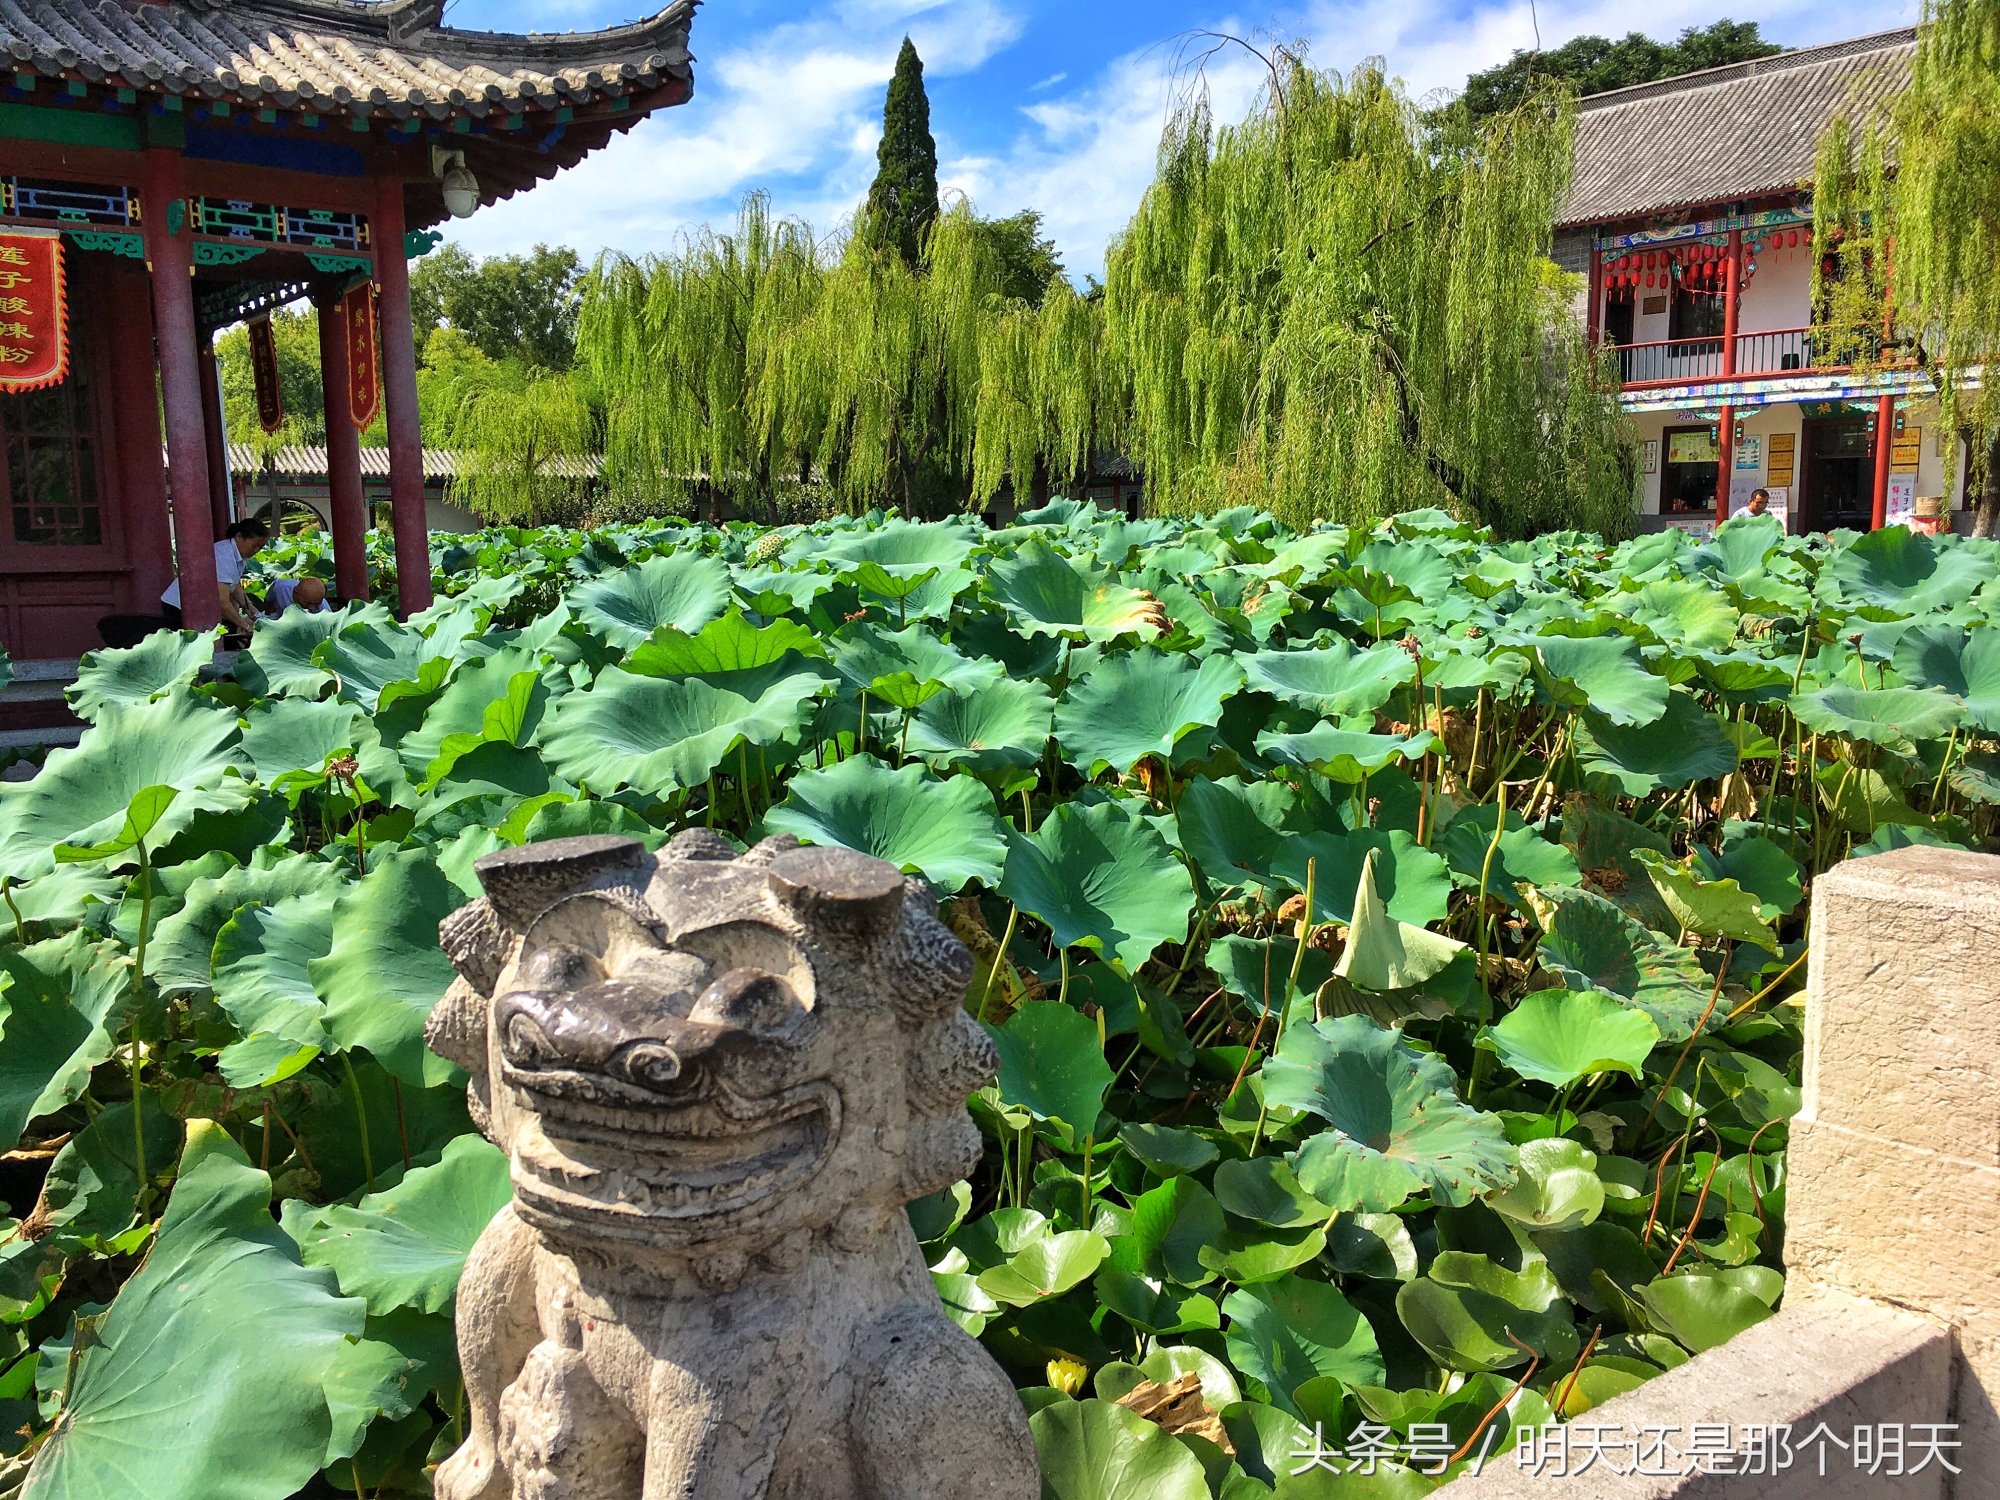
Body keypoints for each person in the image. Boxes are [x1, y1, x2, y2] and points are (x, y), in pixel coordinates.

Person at [162, 518, 269, 634]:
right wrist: (247, 626)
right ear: (239, 536)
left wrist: (251, 609)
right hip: (178, 606)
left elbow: (233, 583)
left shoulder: (238, 554)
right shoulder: (223, 557)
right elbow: (222, 602)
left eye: (260, 547)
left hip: (194, 606)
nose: (256, 550)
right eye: (254, 546)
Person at [263, 576, 330, 614]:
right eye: (308, 602)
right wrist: (267, 615)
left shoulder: (324, 609)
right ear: (296, 591)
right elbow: (268, 601)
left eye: (317, 604)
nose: (311, 607)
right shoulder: (279, 587)